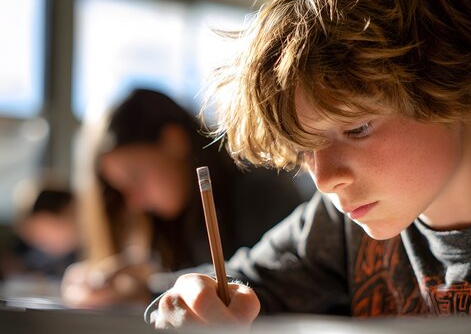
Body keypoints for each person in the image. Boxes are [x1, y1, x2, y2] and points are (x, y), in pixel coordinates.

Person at [147, 0, 471, 329]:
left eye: (357, 128)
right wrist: (187, 303)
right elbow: (236, 286)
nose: (324, 179)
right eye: (305, 149)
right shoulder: (344, 222)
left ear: (456, 86)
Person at [61, 88, 308, 309]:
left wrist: (149, 287)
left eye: (135, 177)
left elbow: (270, 284)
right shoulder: (173, 222)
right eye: (122, 189)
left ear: (173, 140)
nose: (134, 201)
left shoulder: (262, 192)